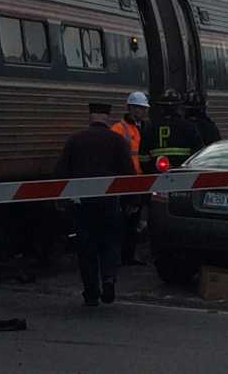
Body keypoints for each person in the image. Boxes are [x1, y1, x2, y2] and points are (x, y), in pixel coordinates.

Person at [55, 102, 136, 306]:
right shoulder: (117, 141)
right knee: (110, 242)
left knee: (86, 246)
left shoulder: (75, 140)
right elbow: (128, 174)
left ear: (90, 117)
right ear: (107, 118)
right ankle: (109, 279)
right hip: (109, 202)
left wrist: (61, 199)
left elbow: (61, 172)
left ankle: (91, 292)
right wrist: (131, 201)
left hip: (82, 204)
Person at [111, 91, 150, 266]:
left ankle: (129, 254)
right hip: (127, 180)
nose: (143, 112)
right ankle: (122, 255)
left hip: (141, 179)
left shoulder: (145, 127)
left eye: (144, 109)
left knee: (134, 220)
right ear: (131, 108)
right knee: (124, 219)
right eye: (140, 108)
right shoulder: (119, 129)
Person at [140, 88, 205, 173]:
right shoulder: (188, 126)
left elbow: (143, 157)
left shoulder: (150, 127)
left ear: (161, 107)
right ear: (178, 107)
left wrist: (151, 170)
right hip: (183, 174)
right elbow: (198, 153)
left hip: (156, 174)